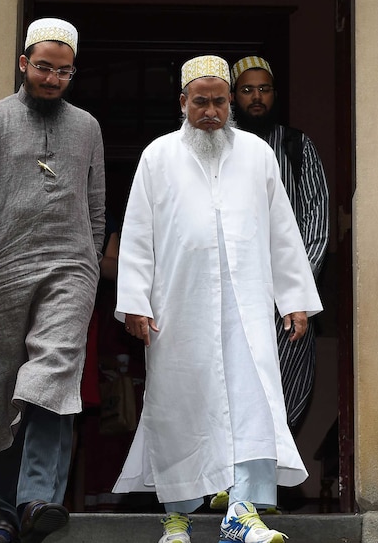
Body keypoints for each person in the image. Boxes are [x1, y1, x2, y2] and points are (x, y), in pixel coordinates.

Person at [113, 55, 321, 543]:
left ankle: (242, 513)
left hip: (246, 305)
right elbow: (138, 235)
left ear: (231, 102)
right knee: (178, 403)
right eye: (200, 101)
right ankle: (177, 519)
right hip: (177, 307)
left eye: (220, 101)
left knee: (253, 400)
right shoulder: (158, 156)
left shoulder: (256, 154)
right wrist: (136, 301)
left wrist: (294, 298)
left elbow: (282, 233)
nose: (211, 111)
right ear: (182, 102)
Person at [0, 17, 105, 543]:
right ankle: (8, 519)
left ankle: (36, 497)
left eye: (63, 71)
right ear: (23, 64)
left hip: (70, 270)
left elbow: (97, 208)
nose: (53, 78)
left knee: (51, 377)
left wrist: (87, 263)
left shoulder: (87, 127)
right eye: (43, 68)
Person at [231, 55, 330, 431]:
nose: (257, 97)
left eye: (264, 89)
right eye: (247, 90)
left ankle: (264, 484)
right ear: (233, 95)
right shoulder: (221, 146)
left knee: (284, 394)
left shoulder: (296, 146)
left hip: (287, 301)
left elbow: (317, 223)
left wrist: (293, 291)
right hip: (233, 294)